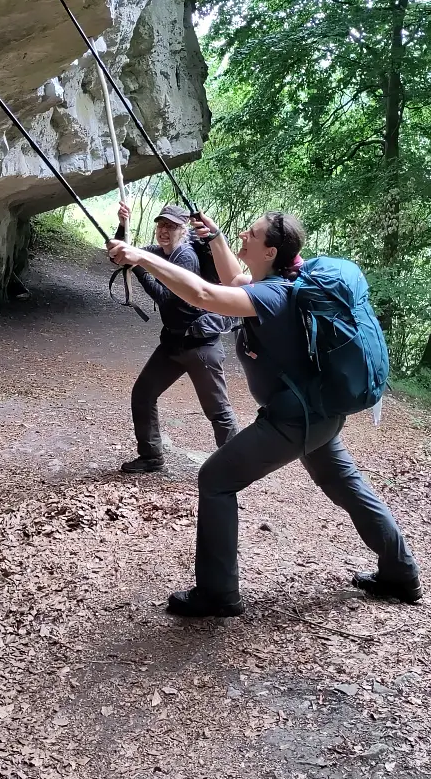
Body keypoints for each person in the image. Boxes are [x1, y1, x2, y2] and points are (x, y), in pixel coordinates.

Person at [108, 209, 421, 615]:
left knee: (216, 478)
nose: (244, 233)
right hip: (320, 412)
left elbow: (204, 295)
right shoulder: (282, 281)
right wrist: (217, 238)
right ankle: (402, 573)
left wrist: (143, 257)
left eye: (251, 233)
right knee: (346, 485)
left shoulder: (272, 296)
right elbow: (231, 280)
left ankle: (217, 594)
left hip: (294, 419)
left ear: (269, 250)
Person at [114, 202, 239, 474]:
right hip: (172, 343)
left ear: (183, 230)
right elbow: (119, 255)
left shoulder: (186, 257)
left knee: (218, 411)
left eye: (171, 226)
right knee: (144, 393)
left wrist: (138, 266)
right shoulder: (159, 253)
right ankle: (151, 456)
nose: (164, 231)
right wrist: (123, 226)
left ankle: (235, 468)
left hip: (200, 347)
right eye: (161, 225)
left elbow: (165, 299)